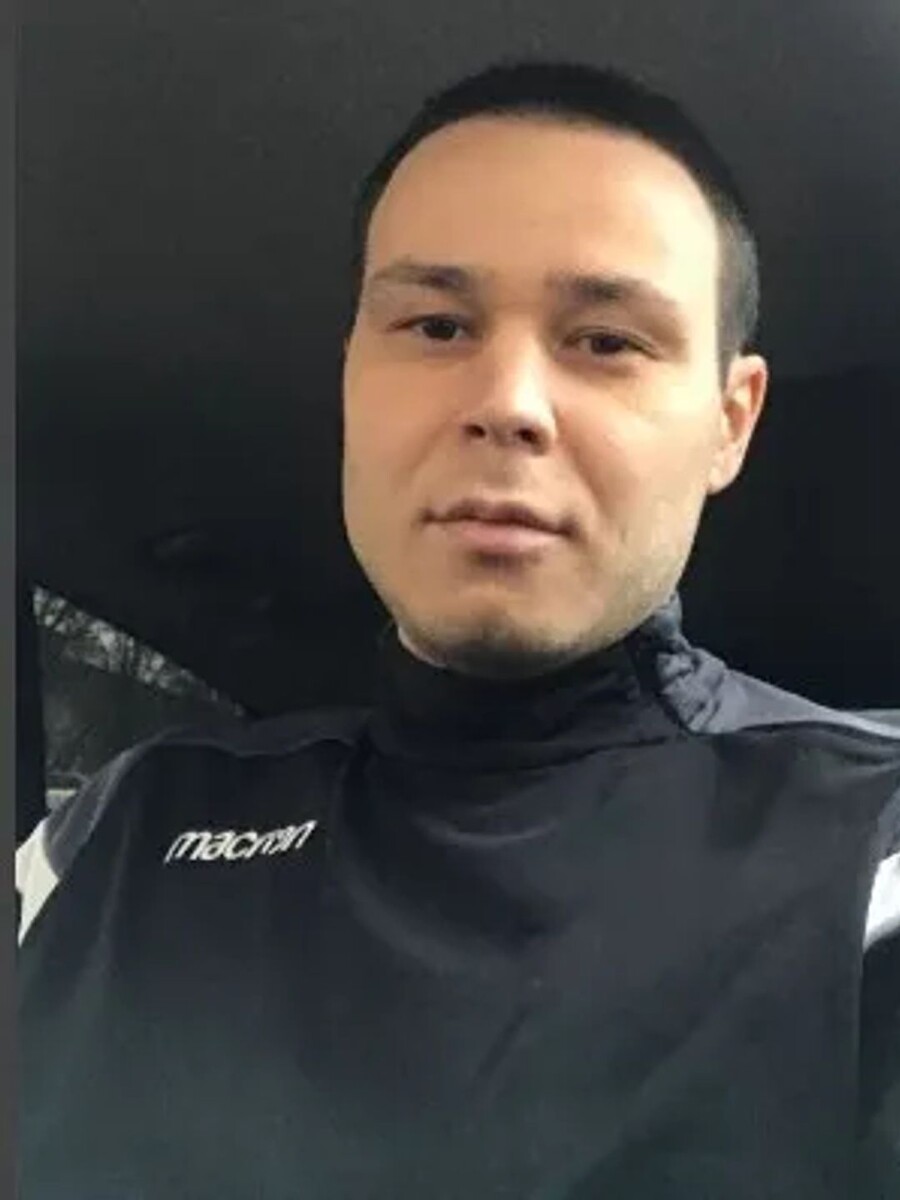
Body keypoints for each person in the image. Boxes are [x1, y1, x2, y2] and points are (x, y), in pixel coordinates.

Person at [17, 59, 900, 1199]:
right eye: (436, 325)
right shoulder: (113, 848)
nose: (509, 403)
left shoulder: (869, 857)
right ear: (351, 376)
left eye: (606, 341)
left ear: (730, 423)